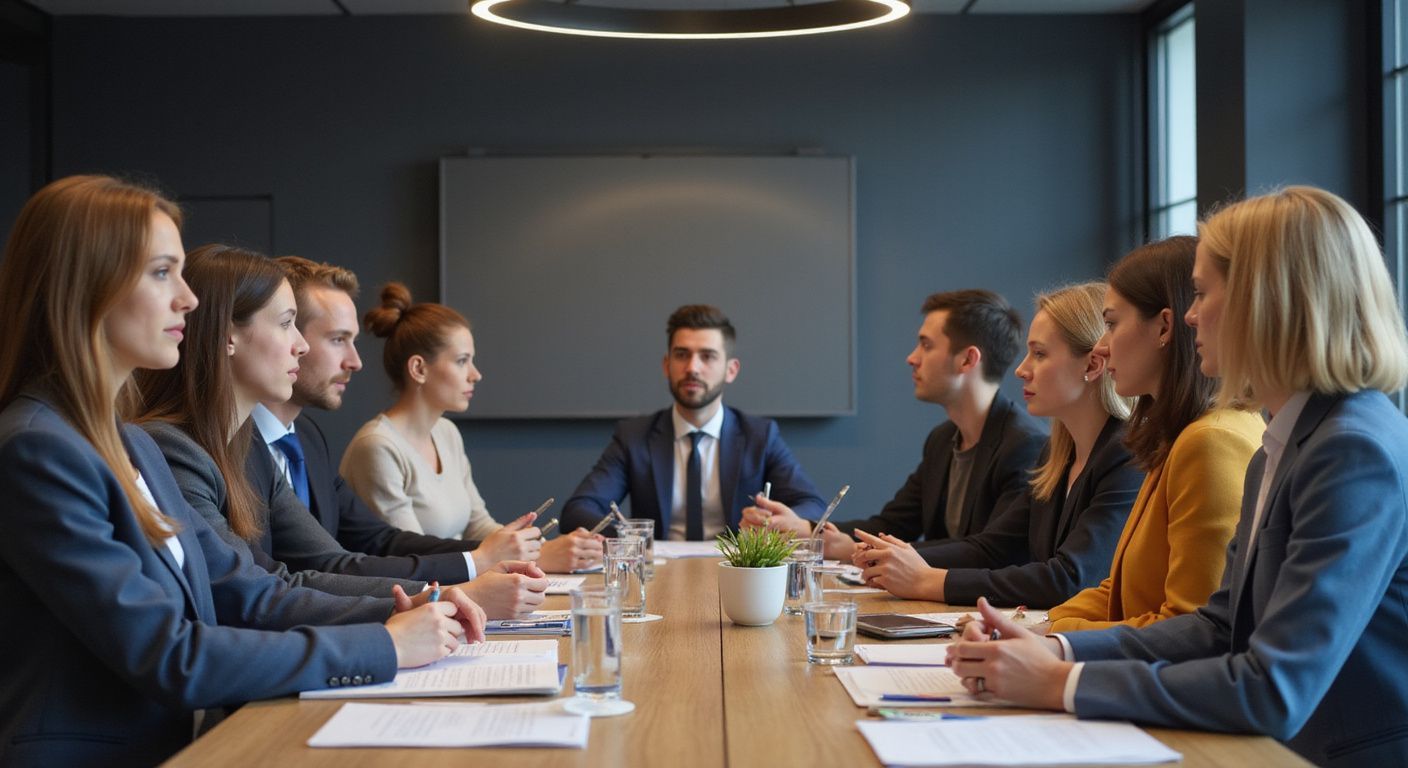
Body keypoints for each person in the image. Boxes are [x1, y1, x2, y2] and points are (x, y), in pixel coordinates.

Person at [0, 176, 482, 766]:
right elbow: (171, 656)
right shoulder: (37, 449)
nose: (188, 299)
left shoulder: (131, 444)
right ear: (86, 284)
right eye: (161, 273)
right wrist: (383, 644)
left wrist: (403, 606)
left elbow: (249, 593)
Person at [948, 186, 1408, 767]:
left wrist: (1061, 683)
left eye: (1201, 293)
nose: (1190, 315)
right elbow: (1217, 625)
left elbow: (1274, 688)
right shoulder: (1283, 442)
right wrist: (1057, 646)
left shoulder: (1351, 450)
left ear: (1266, 299)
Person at [136, 246, 545, 618]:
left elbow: (317, 565)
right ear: (228, 335)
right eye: (286, 324)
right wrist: (444, 594)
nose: (300, 346)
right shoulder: (173, 448)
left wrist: (439, 592)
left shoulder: (253, 443)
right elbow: (256, 593)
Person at [253, 256, 602, 577]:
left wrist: (507, 553)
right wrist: (495, 560)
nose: (356, 362)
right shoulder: (239, 448)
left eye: (353, 341)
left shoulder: (308, 438)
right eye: (337, 339)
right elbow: (330, 568)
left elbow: (382, 541)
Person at [851, 283, 1143, 608]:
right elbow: (991, 548)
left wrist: (928, 580)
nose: (1021, 370)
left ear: (1091, 366)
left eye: (1040, 354)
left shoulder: (1126, 456)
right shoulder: (1057, 455)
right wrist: (898, 558)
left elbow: (1069, 579)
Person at [1038, 238, 1262, 632]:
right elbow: (1119, 590)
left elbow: (1189, 624)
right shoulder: (1178, 435)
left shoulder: (1208, 441)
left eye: (1110, 324)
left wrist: (1053, 635)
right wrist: (1035, 626)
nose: (1102, 347)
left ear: (1163, 326)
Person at [745, 289, 1048, 559]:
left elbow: (991, 550)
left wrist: (857, 550)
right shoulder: (942, 440)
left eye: (926, 346)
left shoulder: (1024, 445)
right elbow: (891, 525)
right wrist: (806, 528)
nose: (911, 358)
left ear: (967, 360)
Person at [341, 284, 567, 565]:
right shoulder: (377, 447)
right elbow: (412, 554)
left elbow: (478, 524)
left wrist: (530, 546)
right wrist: (537, 556)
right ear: (419, 369)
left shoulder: (447, 432)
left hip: (461, 585)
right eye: (462, 361)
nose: (476, 374)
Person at [560, 304, 826, 541]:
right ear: (667, 365)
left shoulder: (760, 435)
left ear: (731, 370)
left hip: (737, 573)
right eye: (681, 354)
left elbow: (812, 505)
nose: (692, 368)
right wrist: (632, 538)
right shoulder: (635, 436)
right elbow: (578, 510)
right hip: (657, 578)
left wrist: (780, 522)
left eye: (707, 356)